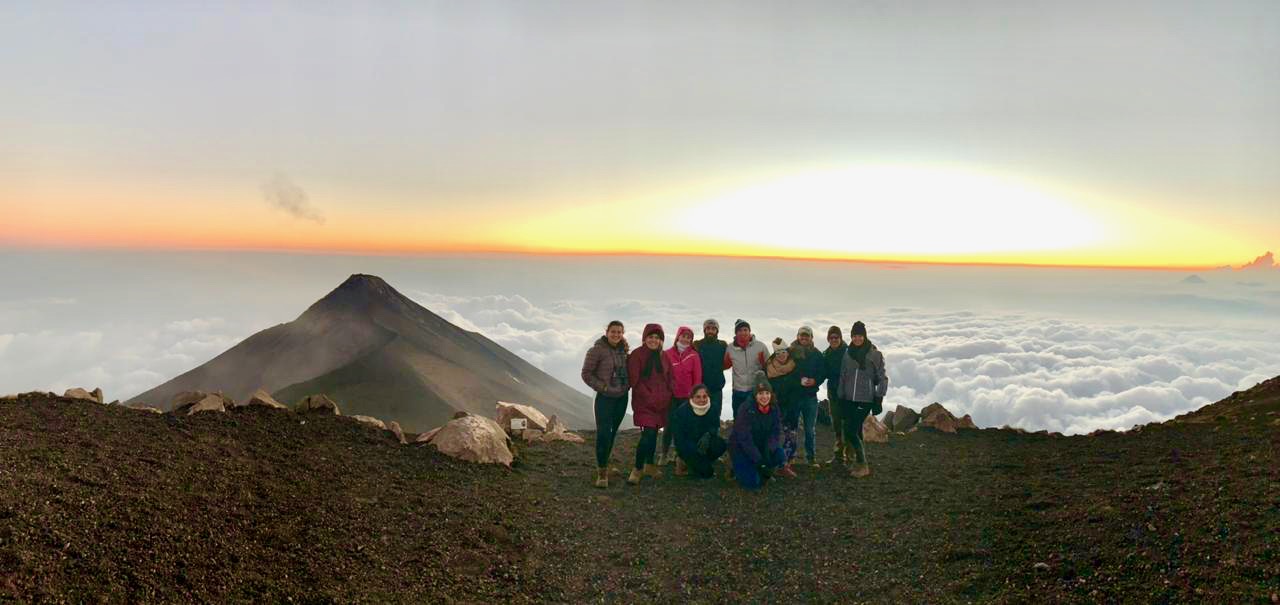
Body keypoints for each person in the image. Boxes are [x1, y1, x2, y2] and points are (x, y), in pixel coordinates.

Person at [580, 320, 631, 488]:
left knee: (613, 432)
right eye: (613, 332)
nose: (616, 335)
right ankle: (602, 472)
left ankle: (605, 464)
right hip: (605, 398)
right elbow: (586, 374)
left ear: (622, 334)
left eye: (619, 332)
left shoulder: (624, 351)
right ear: (607, 332)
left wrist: (627, 386)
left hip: (622, 398)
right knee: (603, 433)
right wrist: (602, 387)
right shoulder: (597, 350)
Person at [836, 321, 888, 478]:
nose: (857, 339)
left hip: (865, 400)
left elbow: (882, 378)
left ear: (864, 336)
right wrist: (841, 397)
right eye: (854, 336)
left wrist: (878, 399)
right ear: (851, 337)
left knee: (850, 431)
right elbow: (843, 375)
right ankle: (858, 462)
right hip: (849, 399)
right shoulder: (848, 353)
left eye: (860, 336)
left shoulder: (874, 354)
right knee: (856, 430)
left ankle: (863, 465)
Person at [626, 323, 674, 485]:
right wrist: (651, 398)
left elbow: (670, 379)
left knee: (654, 433)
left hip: (662, 404)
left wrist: (667, 396)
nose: (654, 340)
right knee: (648, 435)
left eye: (657, 338)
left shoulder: (664, 356)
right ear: (644, 338)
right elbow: (635, 381)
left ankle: (649, 465)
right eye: (651, 337)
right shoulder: (637, 355)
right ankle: (637, 468)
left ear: (661, 340)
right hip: (644, 403)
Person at [729, 382, 795, 490]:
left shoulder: (774, 408)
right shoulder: (746, 409)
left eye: (767, 393)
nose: (764, 397)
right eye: (760, 394)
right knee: (752, 483)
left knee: (780, 454)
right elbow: (744, 438)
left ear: (771, 394)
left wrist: (768, 451)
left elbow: (776, 432)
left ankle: (764, 469)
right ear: (755, 395)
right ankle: (737, 469)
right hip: (742, 448)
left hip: (761, 445)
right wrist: (759, 460)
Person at [659, 326, 702, 470]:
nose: (686, 339)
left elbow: (697, 377)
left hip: (687, 397)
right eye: (683, 336)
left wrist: (695, 396)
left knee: (684, 427)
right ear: (678, 337)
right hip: (671, 396)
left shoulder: (694, 356)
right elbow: (662, 376)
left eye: (689, 337)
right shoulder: (666, 354)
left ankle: (680, 455)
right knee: (669, 425)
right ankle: (664, 454)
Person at [671, 384, 727, 478]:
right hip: (688, 444)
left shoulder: (712, 408)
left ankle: (704, 461)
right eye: (698, 397)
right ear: (692, 397)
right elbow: (678, 438)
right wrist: (685, 450)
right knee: (706, 474)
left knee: (720, 445)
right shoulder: (682, 411)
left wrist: (708, 435)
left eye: (704, 396)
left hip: (705, 441)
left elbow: (715, 425)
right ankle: (682, 460)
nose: (702, 400)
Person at [790, 326, 826, 468]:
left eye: (807, 336)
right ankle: (789, 457)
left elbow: (823, 372)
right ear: (798, 336)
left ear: (811, 337)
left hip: (810, 397)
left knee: (810, 430)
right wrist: (797, 381)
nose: (804, 338)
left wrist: (815, 381)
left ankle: (811, 458)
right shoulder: (791, 352)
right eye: (802, 335)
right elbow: (785, 370)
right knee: (792, 428)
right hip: (794, 396)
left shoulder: (817, 354)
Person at [766, 337, 800, 472]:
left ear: (788, 352)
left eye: (784, 352)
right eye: (778, 353)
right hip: (777, 406)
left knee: (791, 434)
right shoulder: (769, 368)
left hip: (792, 405)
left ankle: (788, 460)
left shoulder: (795, 366)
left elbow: (799, 386)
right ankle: (778, 459)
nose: (781, 355)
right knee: (777, 433)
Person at [727, 319, 769, 422]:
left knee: (756, 419)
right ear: (736, 333)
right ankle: (739, 438)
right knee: (738, 418)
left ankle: (756, 438)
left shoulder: (760, 346)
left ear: (749, 331)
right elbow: (724, 364)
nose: (743, 332)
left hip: (755, 390)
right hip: (738, 390)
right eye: (740, 330)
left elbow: (768, 366)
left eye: (745, 329)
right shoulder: (730, 348)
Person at [692, 319, 731, 422]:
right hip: (700, 388)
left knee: (715, 416)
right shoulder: (697, 345)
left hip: (716, 388)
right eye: (708, 328)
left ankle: (713, 437)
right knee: (699, 416)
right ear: (704, 330)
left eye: (713, 329)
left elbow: (728, 362)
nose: (710, 331)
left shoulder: (722, 345)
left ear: (717, 331)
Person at [822, 326, 849, 465]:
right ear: (828, 339)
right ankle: (839, 456)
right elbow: (822, 372)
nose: (834, 340)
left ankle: (851, 456)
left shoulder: (849, 352)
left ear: (841, 338)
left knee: (849, 425)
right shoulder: (826, 354)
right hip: (833, 393)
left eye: (836, 337)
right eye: (831, 338)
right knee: (837, 425)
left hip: (848, 394)